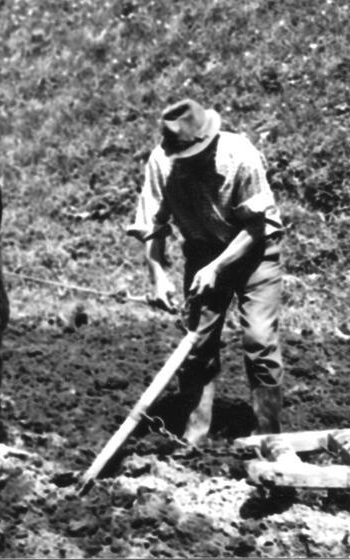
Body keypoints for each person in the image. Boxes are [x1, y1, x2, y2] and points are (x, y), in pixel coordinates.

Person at [127, 98, 285, 445]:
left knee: (260, 340)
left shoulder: (240, 155)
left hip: (255, 250)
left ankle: (268, 437)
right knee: (197, 343)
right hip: (202, 250)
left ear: (210, 141)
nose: (187, 161)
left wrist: (217, 267)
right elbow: (152, 226)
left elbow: (257, 226)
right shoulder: (161, 162)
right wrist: (157, 276)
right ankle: (195, 435)